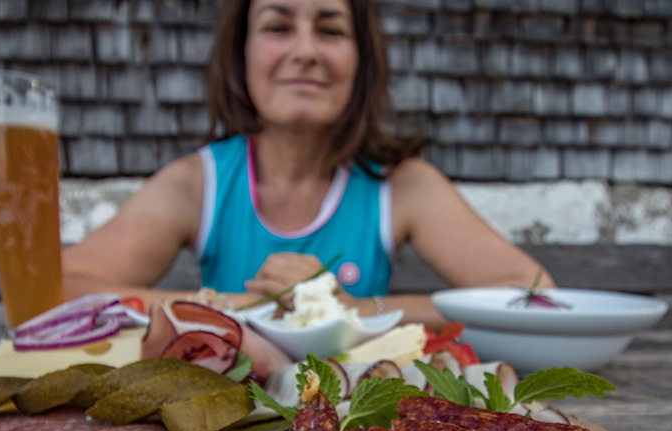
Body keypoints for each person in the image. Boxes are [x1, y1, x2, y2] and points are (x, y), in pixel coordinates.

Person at [62, 0, 553, 331]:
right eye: (277, 26)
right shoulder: (197, 184)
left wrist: (349, 311)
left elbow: (532, 294)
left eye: (330, 29)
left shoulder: (401, 186)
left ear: (362, 59)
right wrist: (244, 308)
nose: (304, 52)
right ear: (242, 53)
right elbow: (62, 290)